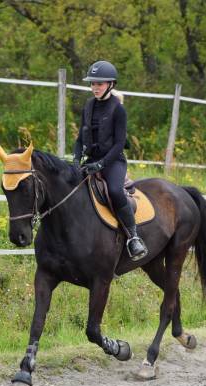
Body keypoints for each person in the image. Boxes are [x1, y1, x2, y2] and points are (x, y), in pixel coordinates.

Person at [73, 60, 148, 261]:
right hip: (90, 161)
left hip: (113, 161)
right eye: (92, 84)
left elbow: (118, 144)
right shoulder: (88, 106)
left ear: (110, 84)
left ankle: (133, 237)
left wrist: (102, 164)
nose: (95, 88)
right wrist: (75, 159)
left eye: (99, 84)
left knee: (115, 191)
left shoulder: (118, 110)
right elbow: (80, 138)